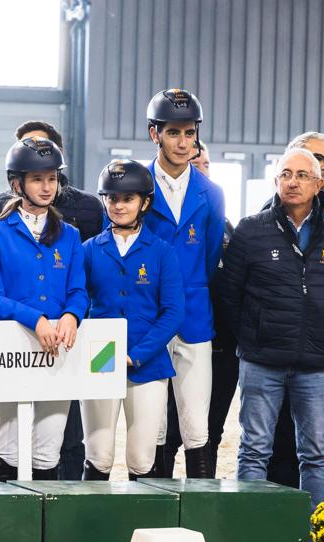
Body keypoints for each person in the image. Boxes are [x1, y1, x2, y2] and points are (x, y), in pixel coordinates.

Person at [222, 148, 324, 513]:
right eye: (286, 174)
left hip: (316, 364)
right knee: (254, 450)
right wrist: (253, 334)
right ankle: (247, 526)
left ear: (318, 184)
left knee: (315, 453)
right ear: (276, 181)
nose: (293, 181)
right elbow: (230, 293)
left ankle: (312, 536)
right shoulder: (251, 229)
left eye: (302, 175)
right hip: (261, 361)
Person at [0, 121, 102, 482]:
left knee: (49, 449)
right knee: (8, 449)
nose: (47, 187)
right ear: (18, 184)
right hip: (11, 348)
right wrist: (36, 319)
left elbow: (79, 290)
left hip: (58, 347)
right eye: (37, 179)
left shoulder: (71, 235)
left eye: (52, 178)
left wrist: (73, 316)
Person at [81, 160, 183, 479]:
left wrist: (136, 354)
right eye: (112, 198)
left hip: (148, 363)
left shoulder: (162, 252)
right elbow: (78, 304)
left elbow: (173, 311)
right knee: (99, 454)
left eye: (127, 199)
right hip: (100, 361)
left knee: (141, 457)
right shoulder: (88, 250)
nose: (119, 205)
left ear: (144, 202)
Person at [143, 88, 226, 479]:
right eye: (174, 132)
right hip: (147, 317)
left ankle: (199, 508)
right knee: (152, 423)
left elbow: (209, 257)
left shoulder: (211, 194)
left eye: (190, 133)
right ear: (154, 133)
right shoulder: (133, 186)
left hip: (194, 315)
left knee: (197, 423)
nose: (183, 142)